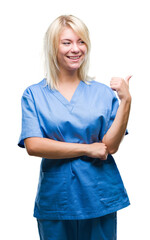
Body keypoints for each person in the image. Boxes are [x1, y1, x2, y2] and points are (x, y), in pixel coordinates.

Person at [18, 15, 131, 240]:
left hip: (99, 195)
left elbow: (109, 147)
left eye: (81, 41)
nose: (76, 49)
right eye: (67, 42)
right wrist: (87, 149)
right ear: (53, 47)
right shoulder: (34, 94)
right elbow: (33, 145)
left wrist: (126, 101)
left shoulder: (102, 93)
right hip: (57, 198)